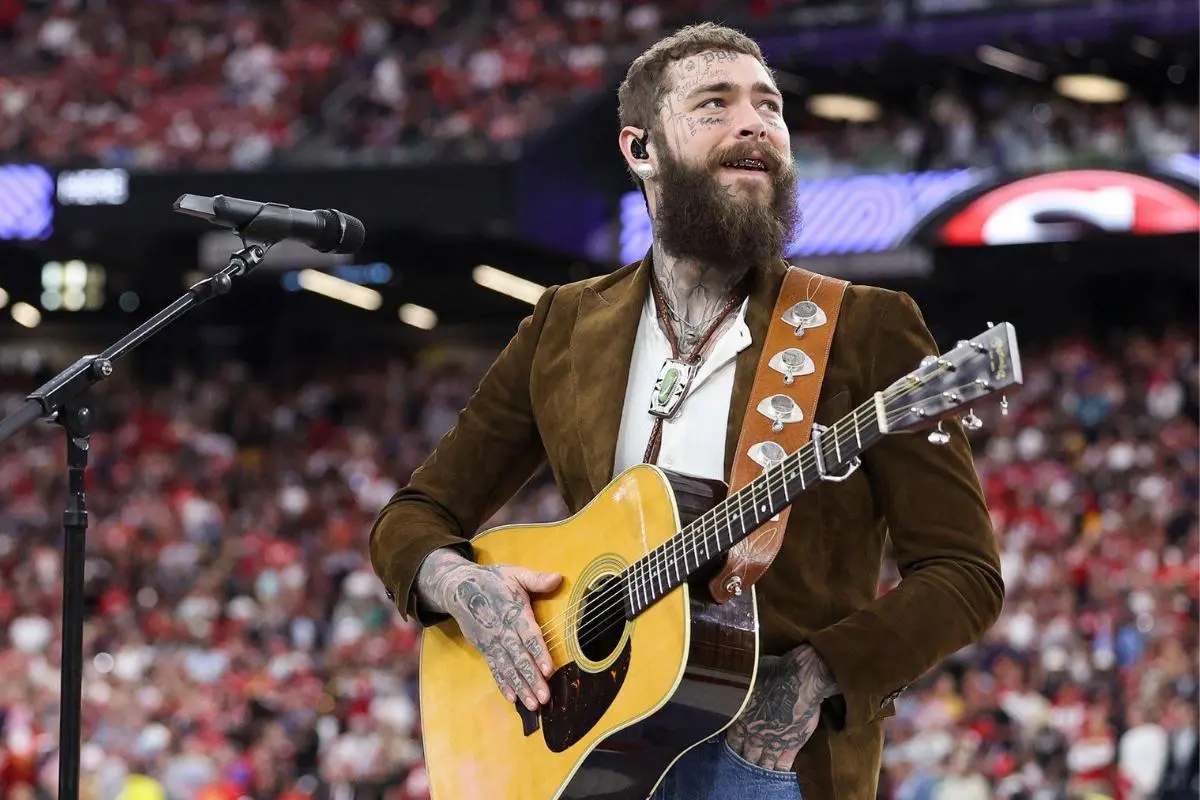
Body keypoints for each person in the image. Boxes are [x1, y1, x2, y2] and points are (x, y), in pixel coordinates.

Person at [368, 22, 1004, 800]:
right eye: (715, 104)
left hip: (768, 762)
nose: (755, 123)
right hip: (588, 749)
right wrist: (464, 588)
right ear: (641, 149)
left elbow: (965, 573)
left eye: (769, 106)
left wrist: (815, 679)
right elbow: (414, 517)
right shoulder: (563, 325)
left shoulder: (865, 326)